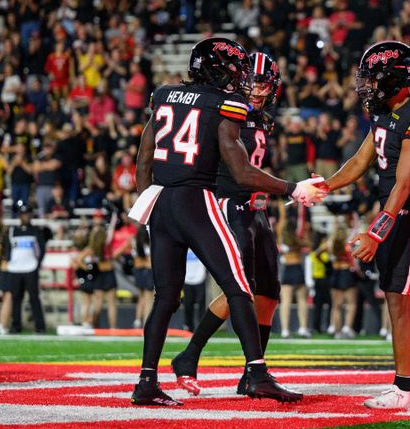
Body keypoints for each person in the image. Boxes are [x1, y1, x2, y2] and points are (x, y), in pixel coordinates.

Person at [129, 37, 326, 406]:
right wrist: (293, 187)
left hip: (161, 199)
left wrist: (149, 205)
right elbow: (240, 170)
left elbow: (143, 161)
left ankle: (146, 382)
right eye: (236, 72)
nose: (241, 82)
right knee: (238, 287)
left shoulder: (164, 94)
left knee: (166, 297)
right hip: (199, 200)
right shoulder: (226, 102)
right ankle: (256, 373)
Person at [323, 41, 410, 409]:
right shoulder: (383, 110)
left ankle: (403, 388)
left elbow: (404, 183)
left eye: (374, 78)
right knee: (399, 293)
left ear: (398, 79)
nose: (368, 86)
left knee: (397, 299)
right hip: (393, 211)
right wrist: (325, 185)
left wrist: (375, 232)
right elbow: (359, 161)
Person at [172, 52, 288, 396]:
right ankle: (189, 355)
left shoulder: (262, 117)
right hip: (228, 204)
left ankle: (252, 374)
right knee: (242, 287)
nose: (257, 89)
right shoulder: (225, 109)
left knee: (269, 292)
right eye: (252, 82)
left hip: (255, 208)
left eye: (263, 83)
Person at [1, 201, 46, 334]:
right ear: (19, 215)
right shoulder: (12, 231)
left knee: (34, 298)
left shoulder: (36, 231)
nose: (26, 216)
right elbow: (8, 249)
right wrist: (9, 261)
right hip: (15, 269)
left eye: (28, 213)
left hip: (30, 268)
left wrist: (36, 264)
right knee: (16, 298)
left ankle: (40, 327)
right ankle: (16, 326)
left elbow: (41, 250)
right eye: (23, 214)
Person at [278, 203, 312, 339]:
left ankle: (285, 330)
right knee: (302, 300)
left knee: (285, 301)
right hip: (297, 269)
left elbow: (281, 221)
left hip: (287, 269)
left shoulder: (282, 237)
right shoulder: (298, 239)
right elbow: (309, 244)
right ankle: (303, 328)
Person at [329, 224, 358, 339]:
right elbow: (353, 261)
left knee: (336, 305)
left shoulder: (331, 245)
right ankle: (347, 327)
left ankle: (337, 331)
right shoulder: (348, 246)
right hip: (346, 273)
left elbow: (318, 254)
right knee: (351, 304)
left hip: (335, 273)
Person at [132, 224, 153, 329]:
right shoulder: (148, 246)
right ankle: (146, 323)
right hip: (147, 272)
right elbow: (149, 264)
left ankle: (137, 320)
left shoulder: (135, 244)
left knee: (141, 298)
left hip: (138, 272)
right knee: (148, 298)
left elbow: (136, 263)